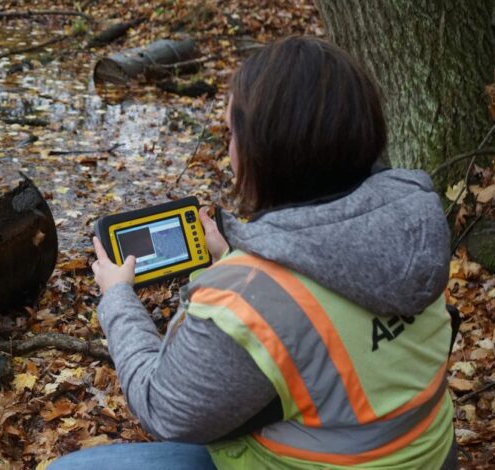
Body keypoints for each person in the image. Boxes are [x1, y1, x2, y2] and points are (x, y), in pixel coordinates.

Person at [51, 36, 457, 469]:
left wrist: (116, 297)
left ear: (265, 150)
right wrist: (237, 255)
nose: (229, 150)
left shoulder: (246, 298)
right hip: (427, 455)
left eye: (232, 134)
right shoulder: (412, 220)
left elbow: (163, 406)